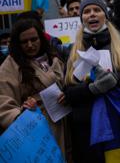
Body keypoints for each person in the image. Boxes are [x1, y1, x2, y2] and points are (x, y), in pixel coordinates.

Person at [64, 0, 120, 163]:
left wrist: (115, 79)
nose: (92, 14)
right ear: (82, 19)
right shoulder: (73, 50)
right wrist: (93, 89)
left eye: (97, 10)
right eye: (86, 11)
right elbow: (69, 93)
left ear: (105, 16)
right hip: (88, 130)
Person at [0, 19, 69, 158]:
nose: (30, 45)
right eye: (24, 42)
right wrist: (22, 114)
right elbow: (3, 101)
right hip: (36, 132)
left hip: (65, 123)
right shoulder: (10, 66)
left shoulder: (54, 57)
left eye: (34, 39)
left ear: (41, 38)